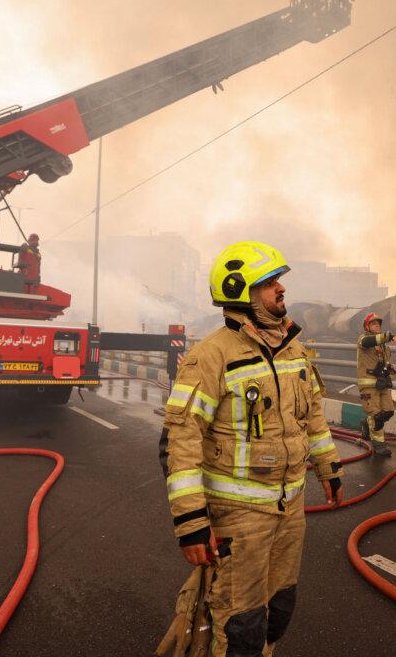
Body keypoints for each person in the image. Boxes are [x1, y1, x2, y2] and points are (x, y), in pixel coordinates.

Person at [159, 240, 343, 657]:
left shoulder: (294, 350)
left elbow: (312, 416)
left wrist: (329, 468)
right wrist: (191, 523)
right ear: (241, 292)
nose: (280, 289)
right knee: (240, 626)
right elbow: (181, 440)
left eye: (279, 281)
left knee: (278, 612)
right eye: (269, 283)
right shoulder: (210, 357)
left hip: (290, 509)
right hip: (239, 519)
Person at [356, 312, 396, 457]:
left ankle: (365, 424)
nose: (377, 325)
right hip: (368, 385)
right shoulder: (364, 339)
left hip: (382, 383)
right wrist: (389, 336)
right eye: (373, 323)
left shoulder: (382, 345)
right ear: (367, 326)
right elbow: (371, 341)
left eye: (378, 323)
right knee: (376, 416)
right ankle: (379, 446)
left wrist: (390, 367)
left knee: (388, 411)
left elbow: (383, 361)